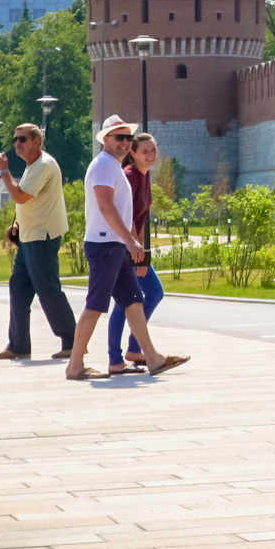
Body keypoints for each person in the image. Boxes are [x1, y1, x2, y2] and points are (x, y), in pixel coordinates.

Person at [64, 117, 187, 381]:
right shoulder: (105, 166)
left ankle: (152, 358)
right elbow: (105, 206)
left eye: (127, 138)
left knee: (133, 300)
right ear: (105, 139)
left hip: (114, 245)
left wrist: (127, 243)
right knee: (95, 304)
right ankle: (74, 365)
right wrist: (130, 241)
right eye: (118, 137)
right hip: (105, 244)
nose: (124, 142)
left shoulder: (113, 166)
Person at [0, 123, 77, 361]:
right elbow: (30, 200)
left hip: (42, 237)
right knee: (18, 288)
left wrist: (3, 172)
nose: (17, 143)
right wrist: (18, 225)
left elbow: (19, 195)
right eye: (15, 139)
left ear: (36, 141)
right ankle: (18, 346)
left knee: (48, 290)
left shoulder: (44, 165)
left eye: (23, 139)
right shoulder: (33, 166)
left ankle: (73, 341)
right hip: (29, 236)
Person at [104, 131, 170, 376]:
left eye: (153, 150)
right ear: (132, 153)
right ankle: (116, 355)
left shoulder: (145, 175)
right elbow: (126, 215)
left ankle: (133, 349)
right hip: (122, 247)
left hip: (133, 246)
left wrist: (141, 250)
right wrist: (135, 253)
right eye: (145, 151)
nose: (151, 155)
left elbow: (139, 219)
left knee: (146, 294)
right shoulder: (130, 176)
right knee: (129, 300)